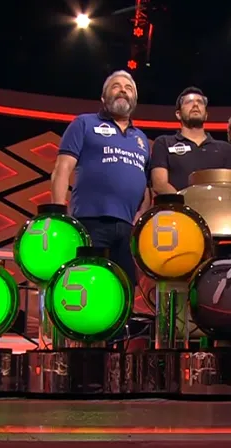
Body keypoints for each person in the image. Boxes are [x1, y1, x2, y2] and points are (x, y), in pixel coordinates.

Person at [50, 70, 149, 288]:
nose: (122, 90)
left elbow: (144, 184)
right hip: (91, 221)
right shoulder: (84, 123)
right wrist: (58, 215)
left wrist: (139, 219)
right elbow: (62, 168)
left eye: (128, 88)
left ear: (134, 101)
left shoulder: (141, 138)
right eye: (116, 86)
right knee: (89, 286)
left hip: (126, 228)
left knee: (124, 289)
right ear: (103, 97)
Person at [151, 87, 231, 194]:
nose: (195, 105)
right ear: (178, 114)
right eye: (189, 102)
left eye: (200, 102)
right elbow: (160, 184)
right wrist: (185, 203)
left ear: (206, 115)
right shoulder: (164, 143)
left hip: (215, 204)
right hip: (177, 205)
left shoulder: (225, 149)